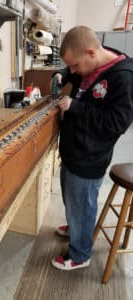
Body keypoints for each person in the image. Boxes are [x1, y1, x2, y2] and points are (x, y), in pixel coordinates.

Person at [50, 26, 133, 271]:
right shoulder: (91, 63)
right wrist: (62, 74)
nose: (73, 71)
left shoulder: (124, 78)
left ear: (90, 53)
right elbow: (72, 72)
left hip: (89, 158)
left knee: (83, 203)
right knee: (72, 198)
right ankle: (75, 226)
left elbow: (116, 124)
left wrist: (75, 107)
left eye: (74, 66)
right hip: (73, 151)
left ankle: (80, 253)